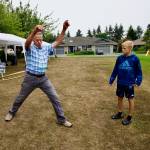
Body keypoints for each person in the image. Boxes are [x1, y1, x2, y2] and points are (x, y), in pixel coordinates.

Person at [5, 20, 72, 128]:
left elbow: (58, 41)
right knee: (20, 97)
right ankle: (11, 112)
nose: (39, 42)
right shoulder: (29, 47)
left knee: (55, 97)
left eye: (41, 39)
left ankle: (61, 119)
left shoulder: (46, 47)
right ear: (33, 39)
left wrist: (64, 29)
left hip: (43, 79)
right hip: (30, 78)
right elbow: (27, 43)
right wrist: (34, 31)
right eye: (37, 40)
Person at [109, 40, 143, 125]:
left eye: (124, 48)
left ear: (130, 48)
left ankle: (129, 117)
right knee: (119, 97)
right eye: (122, 48)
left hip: (129, 84)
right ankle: (120, 113)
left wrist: (138, 81)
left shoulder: (135, 59)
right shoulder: (119, 58)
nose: (122, 50)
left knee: (130, 99)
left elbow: (139, 72)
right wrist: (112, 79)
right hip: (120, 82)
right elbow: (115, 69)